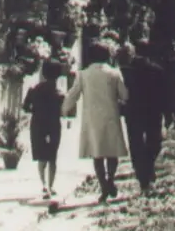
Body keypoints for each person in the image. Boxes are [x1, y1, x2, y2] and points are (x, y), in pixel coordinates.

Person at [62, 41, 130, 203]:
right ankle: (110, 179)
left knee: (97, 153)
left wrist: (64, 109)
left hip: (92, 118)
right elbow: (125, 95)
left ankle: (104, 185)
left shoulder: (83, 75)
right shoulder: (114, 73)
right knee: (111, 152)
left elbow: (73, 94)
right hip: (110, 116)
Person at [121, 41, 168, 196]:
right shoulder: (157, 70)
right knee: (154, 143)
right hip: (152, 112)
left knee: (136, 144)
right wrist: (167, 114)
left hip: (133, 112)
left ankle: (143, 176)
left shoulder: (126, 71)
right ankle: (148, 170)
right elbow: (164, 94)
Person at [23, 59, 65, 199]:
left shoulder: (34, 90)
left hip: (38, 125)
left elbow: (25, 107)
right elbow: (64, 111)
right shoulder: (59, 94)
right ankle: (51, 186)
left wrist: (35, 109)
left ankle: (44, 185)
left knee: (42, 157)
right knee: (52, 157)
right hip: (53, 125)